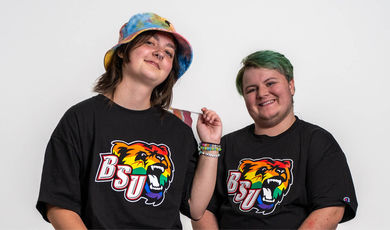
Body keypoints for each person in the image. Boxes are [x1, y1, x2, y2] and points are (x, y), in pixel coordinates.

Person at [36, 12, 222, 229]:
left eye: (169, 53)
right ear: (123, 51)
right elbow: (59, 205)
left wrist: (211, 144)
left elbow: (195, 208)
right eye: (149, 42)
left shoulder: (178, 131)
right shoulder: (81, 118)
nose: (159, 53)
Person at [192, 50, 357, 229]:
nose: (262, 93)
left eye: (270, 83)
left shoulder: (318, 142)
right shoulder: (225, 145)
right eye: (251, 89)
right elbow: (201, 209)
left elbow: (331, 209)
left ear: (291, 86)